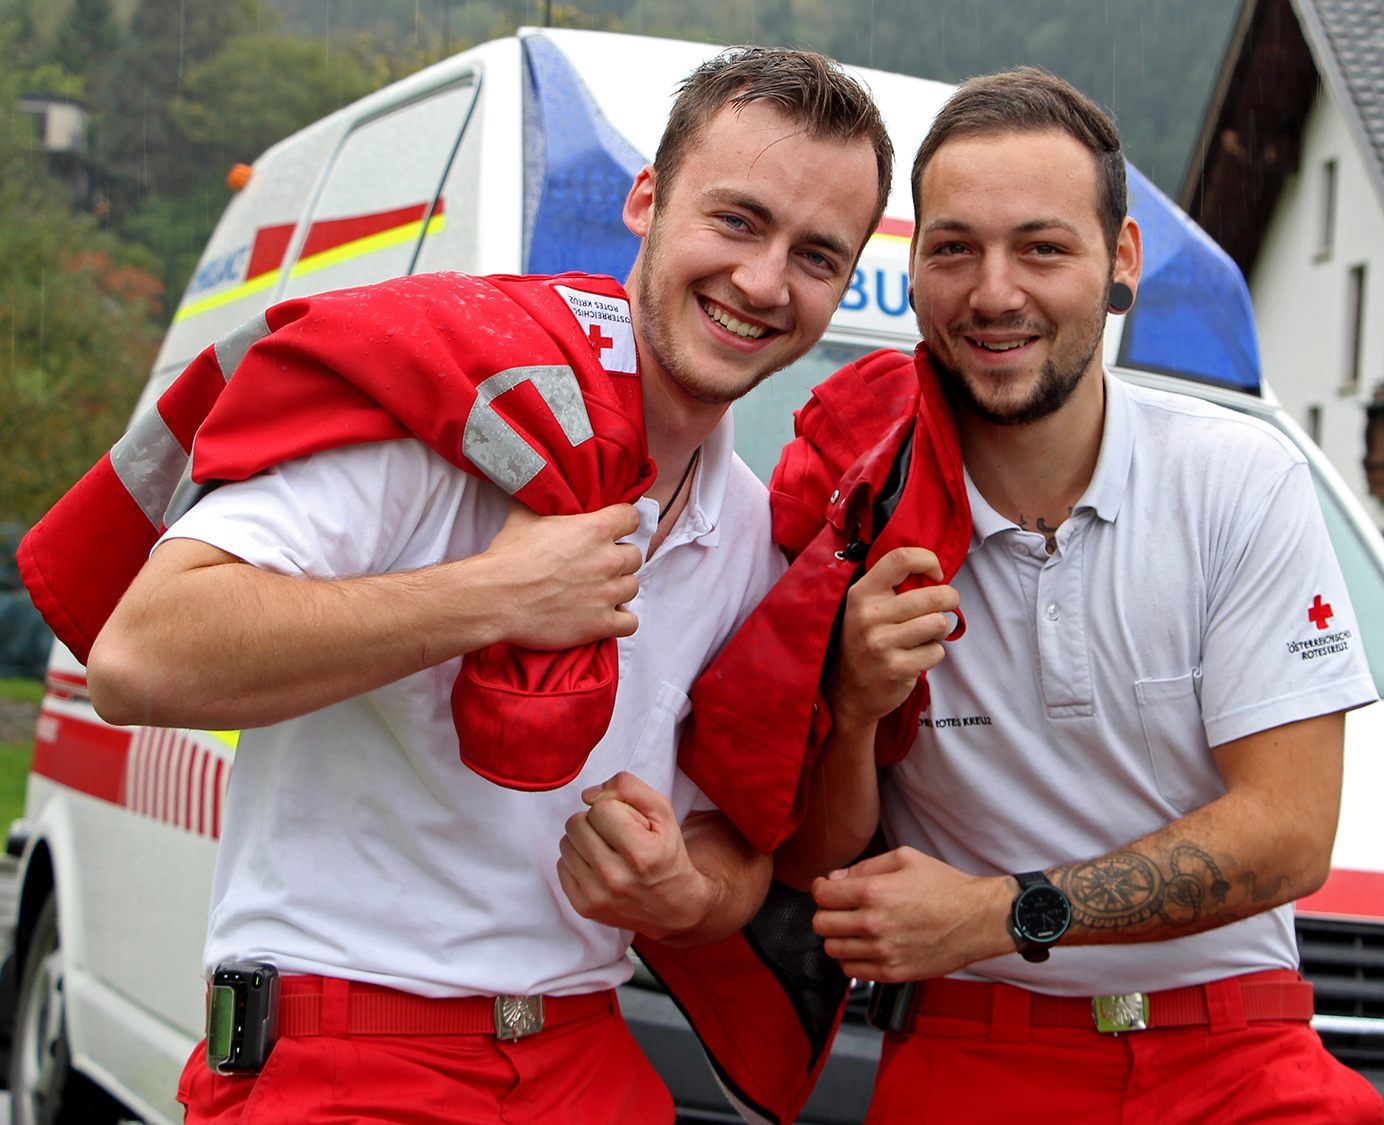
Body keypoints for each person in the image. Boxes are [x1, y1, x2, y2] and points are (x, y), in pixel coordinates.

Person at [81, 47, 892, 1124]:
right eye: (737, 222)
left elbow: (739, 853)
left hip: (582, 1055)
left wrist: (685, 894)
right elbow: (139, 658)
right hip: (347, 1054)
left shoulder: (753, 535)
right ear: (645, 200)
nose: (763, 282)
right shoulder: (452, 413)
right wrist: (495, 595)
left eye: (816, 257)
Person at [776, 67, 1384, 1122]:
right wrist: (853, 707)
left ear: (1121, 261)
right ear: (914, 268)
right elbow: (820, 869)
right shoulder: (849, 508)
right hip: (972, 1052)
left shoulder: (1236, 479)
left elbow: (1291, 832)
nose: (995, 291)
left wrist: (1004, 913)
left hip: (1233, 1049)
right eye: (954, 247)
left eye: (1042, 247)